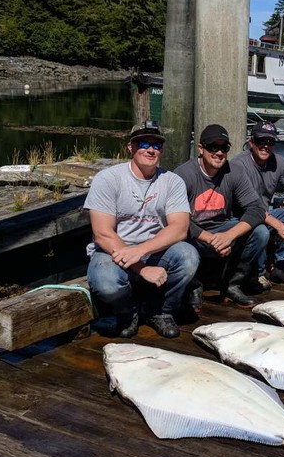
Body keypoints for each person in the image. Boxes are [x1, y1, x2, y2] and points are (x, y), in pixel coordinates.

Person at [84, 120, 199, 339]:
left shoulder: (172, 181)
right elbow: (102, 234)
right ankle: (128, 311)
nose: (150, 149)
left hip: (153, 249)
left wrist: (141, 251)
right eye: (143, 143)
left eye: (156, 145)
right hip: (113, 250)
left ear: (162, 150)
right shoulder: (107, 179)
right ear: (131, 147)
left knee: (188, 256)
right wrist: (141, 268)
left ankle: (160, 311)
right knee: (106, 283)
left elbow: (179, 228)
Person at [175, 123, 269, 310]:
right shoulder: (183, 174)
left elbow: (257, 208)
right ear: (200, 148)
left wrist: (228, 236)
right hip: (191, 232)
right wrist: (209, 239)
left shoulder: (235, 171)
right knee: (175, 234)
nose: (219, 153)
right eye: (213, 147)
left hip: (221, 228)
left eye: (224, 147)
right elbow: (175, 218)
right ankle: (193, 285)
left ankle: (232, 285)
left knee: (261, 233)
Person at [230, 119, 284, 286]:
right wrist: (279, 226)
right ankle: (258, 273)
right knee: (260, 230)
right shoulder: (239, 164)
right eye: (261, 141)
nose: (265, 146)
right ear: (251, 142)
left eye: (270, 142)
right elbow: (251, 208)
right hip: (243, 217)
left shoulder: (280, 162)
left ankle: (282, 265)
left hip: (265, 214)